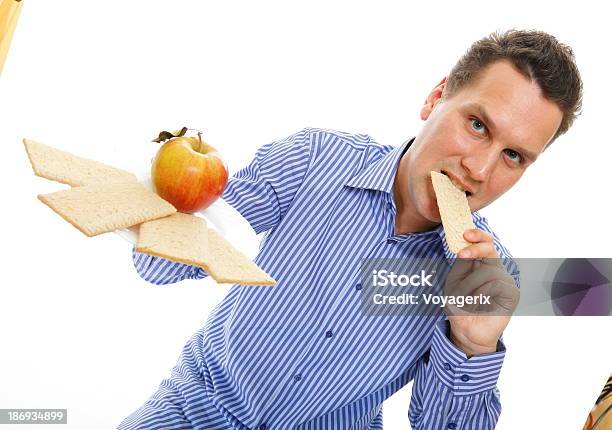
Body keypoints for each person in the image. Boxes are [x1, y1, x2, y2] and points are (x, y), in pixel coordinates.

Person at [118, 29, 582, 429]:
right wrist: (177, 185)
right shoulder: (313, 160)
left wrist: (472, 344)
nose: (479, 169)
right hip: (193, 413)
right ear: (436, 97)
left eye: (514, 156)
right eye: (478, 125)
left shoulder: (487, 281)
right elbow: (156, 267)